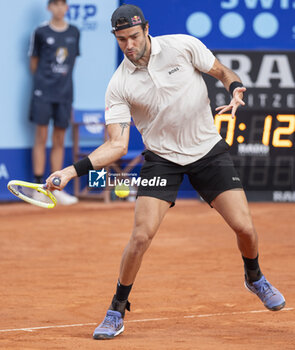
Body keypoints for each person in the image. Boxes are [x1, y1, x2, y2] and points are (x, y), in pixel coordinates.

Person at [46, 4, 286, 340]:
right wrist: (72, 171)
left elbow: (221, 71)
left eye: (132, 36)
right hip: (162, 160)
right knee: (141, 236)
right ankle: (117, 308)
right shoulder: (119, 85)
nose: (128, 45)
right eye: (121, 40)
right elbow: (116, 145)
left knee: (244, 227)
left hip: (207, 151)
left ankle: (254, 277)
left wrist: (235, 88)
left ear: (145, 29)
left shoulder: (181, 46)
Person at [29, 0, 79, 205]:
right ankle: (39, 187)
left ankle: (55, 188)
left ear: (67, 8)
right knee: (41, 137)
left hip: (64, 94)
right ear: (49, 7)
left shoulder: (74, 32)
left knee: (59, 139)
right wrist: (45, 84)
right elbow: (34, 63)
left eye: (62, 4)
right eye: (55, 4)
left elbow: (72, 61)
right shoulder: (40, 32)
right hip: (43, 93)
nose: (59, 8)